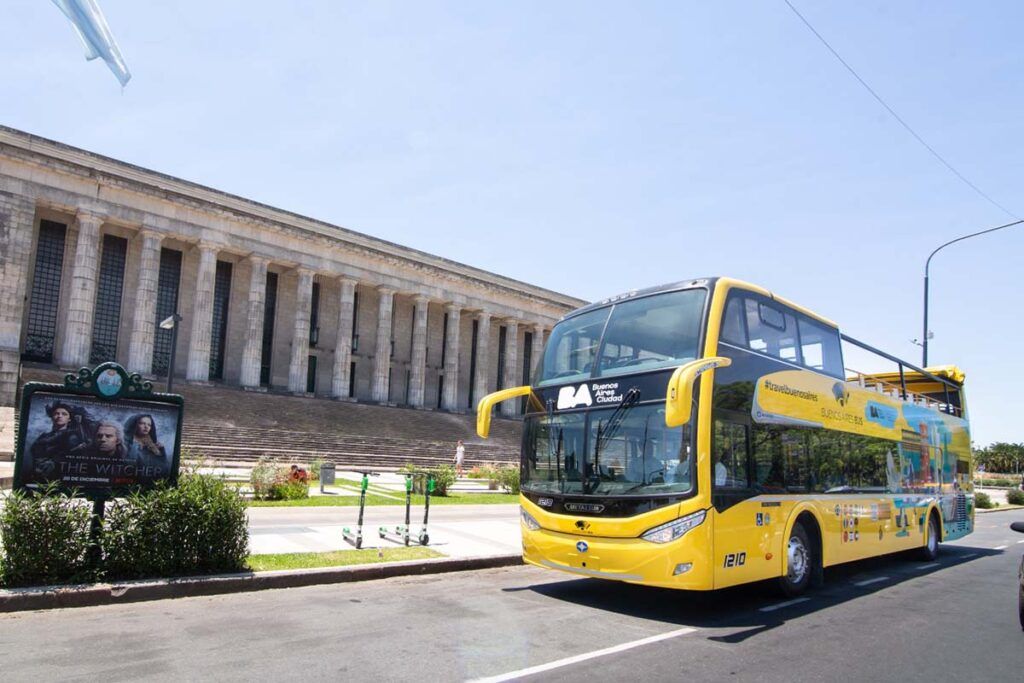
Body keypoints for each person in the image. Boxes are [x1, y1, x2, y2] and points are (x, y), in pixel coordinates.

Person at [29, 400, 93, 476]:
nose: (59, 416)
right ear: (52, 417)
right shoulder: (44, 436)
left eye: (64, 414)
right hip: (39, 473)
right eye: (56, 414)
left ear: (69, 419)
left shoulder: (73, 435)